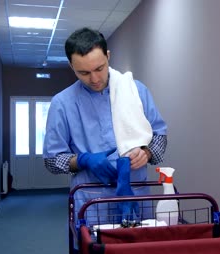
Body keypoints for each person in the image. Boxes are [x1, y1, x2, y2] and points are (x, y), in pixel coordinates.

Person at [43, 27, 167, 225]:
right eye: (83, 72)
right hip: (91, 200)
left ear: (108, 56)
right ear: (71, 66)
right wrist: (83, 160)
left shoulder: (136, 91)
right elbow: (52, 161)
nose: (94, 79)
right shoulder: (63, 103)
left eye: (99, 68)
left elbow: (159, 136)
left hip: (135, 193)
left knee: (140, 252)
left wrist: (147, 152)